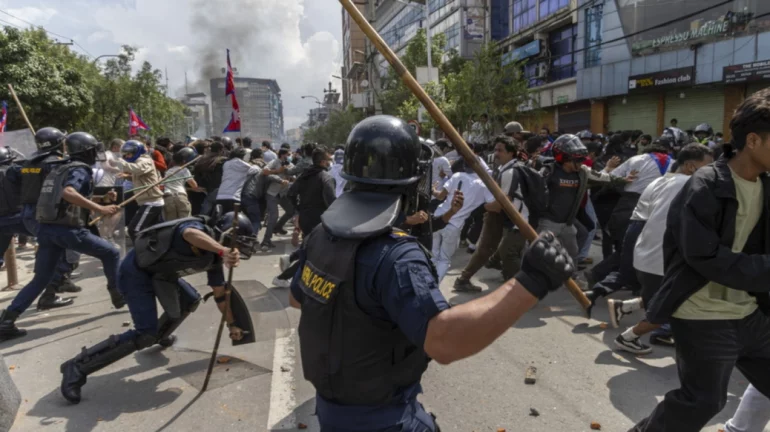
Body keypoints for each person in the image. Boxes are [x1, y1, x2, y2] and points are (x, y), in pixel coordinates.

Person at [289, 115, 575, 431]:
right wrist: (531, 281)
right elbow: (444, 342)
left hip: (332, 409)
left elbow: (297, 298)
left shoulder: (321, 235)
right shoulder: (396, 256)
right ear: (412, 180)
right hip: (384, 419)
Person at [631, 88, 770, 432]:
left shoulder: (766, 186)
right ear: (753, 140)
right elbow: (703, 256)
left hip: (749, 312)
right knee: (703, 400)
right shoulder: (705, 184)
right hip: (702, 313)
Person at [59, 211, 258, 404]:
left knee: (190, 300)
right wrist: (222, 250)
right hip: (134, 275)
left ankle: (159, 335)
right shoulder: (198, 229)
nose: (238, 249)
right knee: (144, 333)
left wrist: (232, 325)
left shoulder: (214, 258)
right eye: (237, 243)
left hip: (162, 275)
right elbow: (188, 234)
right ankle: (77, 367)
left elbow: (220, 295)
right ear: (224, 235)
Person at [0, 132, 125, 343]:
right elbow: (68, 192)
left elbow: (57, 195)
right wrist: (99, 207)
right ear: (87, 151)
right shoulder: (76, 168)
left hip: (45, 228)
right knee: (111, 252)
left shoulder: (48, 165)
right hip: (65, 228)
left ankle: (6, 321)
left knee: (41, 278)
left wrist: (99, 198)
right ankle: (118, 294)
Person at [609, 143, 713, 355]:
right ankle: (628, 337)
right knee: (672, 306)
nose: (713, 171)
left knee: (660, 296)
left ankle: (624, 307)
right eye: (708, 166)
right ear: (691, 167)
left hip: (647, 255)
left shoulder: (663, 180)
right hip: (661, 258)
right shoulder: (687, 185)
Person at [583, 138, 672, 300]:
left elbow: (610, 177)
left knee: (628, 245)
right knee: (637, 247)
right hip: (657, 206)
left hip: (628, 204)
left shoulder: (636, 160)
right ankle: (602, 276)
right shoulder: (674, 164)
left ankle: (619, 280)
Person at [539, 134, 632, 261]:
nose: (581, 162)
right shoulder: (548, 171)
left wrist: (623, 179)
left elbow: (603, 177)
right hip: (548, 222)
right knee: (540, 255)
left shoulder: (582, 171)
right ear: (565, 158)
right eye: (578, 160)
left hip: (567, 223)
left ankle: (570, 277)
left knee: (572, 252)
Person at [18, 127, 83, 308]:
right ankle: (50, 293)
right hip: (46, 213)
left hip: (29, 212)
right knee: (63, 252)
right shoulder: (54, 163)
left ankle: (60, 282)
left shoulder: (29, 160)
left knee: (57, 252)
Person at [453, 135, 525, 292]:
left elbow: (502, 203)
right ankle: (464, 279)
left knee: (503, 250)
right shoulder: (502, 169)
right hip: (501, 217)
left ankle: (517, 286)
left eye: (501, 150)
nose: (496, 153)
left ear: (512, 153)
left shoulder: (510, 172)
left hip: (506, 216)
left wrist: (483, 206)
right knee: (488, 248)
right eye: (495, 149)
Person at [431, 156, 494, 282]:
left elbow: (440, 196)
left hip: (437, 219)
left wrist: (433, 190)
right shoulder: (484, 185)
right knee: (444, 259)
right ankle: (433, 288)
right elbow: (492, 204)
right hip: (454, 225)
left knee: (432, 256)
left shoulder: (457, 175)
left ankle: (426, 283)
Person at [111, 140, 165, 242]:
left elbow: (136, 169)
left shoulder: (145, 160)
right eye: (125, 155)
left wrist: (119, 161)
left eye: (128, 154)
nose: (126, 157)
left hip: (152, 202)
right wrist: (128, 177)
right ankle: (153, 253)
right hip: (147, 201)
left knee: (134, 230)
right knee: (153, 232)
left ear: (137, 152)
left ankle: (141, 254)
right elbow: (139, 177)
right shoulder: (138, 161)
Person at [260, 148, 292, 251]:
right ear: (282, 155)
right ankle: (266, 241)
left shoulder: (289, 164)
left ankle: (278, 227)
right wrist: (277, 171)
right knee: (273, 216)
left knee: (291, 211)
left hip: (282, 194)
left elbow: (294, 173)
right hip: (272, 194)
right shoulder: (274, 162)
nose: (289, 156)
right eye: (287, 155)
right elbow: (264, 171)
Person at [215, 147, 261, 213]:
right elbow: (256, 169)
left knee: (221, 220)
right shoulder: (243, 165)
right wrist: (255, 164)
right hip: (234, 197)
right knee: (233, 220)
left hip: (220, 196)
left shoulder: (226, 164)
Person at [162, 147, 200, 221]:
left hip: (168, 198)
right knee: (184, 221)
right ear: (184, 161)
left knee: (170, 222)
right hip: (180, 197)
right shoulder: (184, 170)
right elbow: (194, 185)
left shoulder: (168, 172)